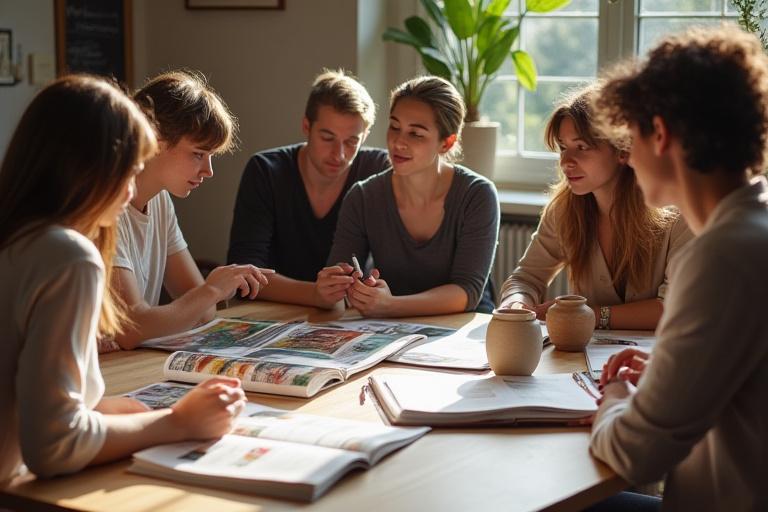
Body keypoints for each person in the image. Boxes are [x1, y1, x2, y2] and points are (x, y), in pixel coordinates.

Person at [0, 75, 246, 486]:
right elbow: (53, 445)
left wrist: (109, 413)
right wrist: (176, 422)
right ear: (91, 169)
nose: (133, 188)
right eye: (131, 171)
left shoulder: (19, 238)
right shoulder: (69, 255)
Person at [588, 25, 768, 511]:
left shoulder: (721, 256)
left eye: (630, 139)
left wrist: (617, 397)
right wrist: (670, 377)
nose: (627, 158)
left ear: (661, 134)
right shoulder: (756, 226)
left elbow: (637, 453)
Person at [498, 84, 692, 330]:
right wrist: (516, 304)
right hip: (587, 361)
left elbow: (674, 309)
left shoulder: (677, 212)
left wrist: (588, 314)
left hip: (658, 359)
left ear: (622, 150)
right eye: (563, 147)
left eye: (582, 147)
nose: (566, 162)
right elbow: (525, 278)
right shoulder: (563, 209)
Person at [112, 70, 272, 350]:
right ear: (155, 141)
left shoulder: (160, 200)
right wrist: (211, 290)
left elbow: (204, 312)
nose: (208, 171)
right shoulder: (106, 205)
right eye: (198, 154)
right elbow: (130, 328)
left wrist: (206, 295)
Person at [323, 76, 500, 317]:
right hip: (389, 329)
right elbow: (340, 277)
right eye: (394, 127)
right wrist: (339, 286)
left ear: (446, 144)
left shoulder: (477, 195)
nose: (398, 142)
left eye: (416, 134)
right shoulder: (363, 197)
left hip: (464, 331)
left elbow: (467, 292)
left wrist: (391, 305)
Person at [227, 69, 390, 308]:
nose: (339, 154)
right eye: (327, 137)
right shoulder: (267, 170)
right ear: (306, 126)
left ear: (365, 136)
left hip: (351, 314)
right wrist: (315, 294)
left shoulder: (378, 168)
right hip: (274, 312)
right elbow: (245, 271)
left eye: (351, 141)